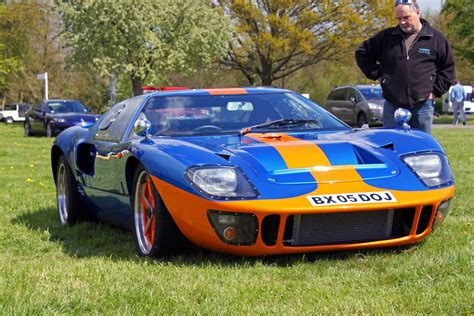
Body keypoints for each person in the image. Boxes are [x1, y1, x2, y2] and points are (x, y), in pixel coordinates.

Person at [355, 0, 455, 134]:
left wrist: (435, 92)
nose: (402, 22)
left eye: (406, 17)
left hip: (423, 106)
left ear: (417, 13)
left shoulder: (435, 38)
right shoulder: (386, 37)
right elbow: (362, 53)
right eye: (399, 19)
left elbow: (448, 69)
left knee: (421, 146)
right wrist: (377, 73)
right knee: (392, 145)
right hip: (392, 105)